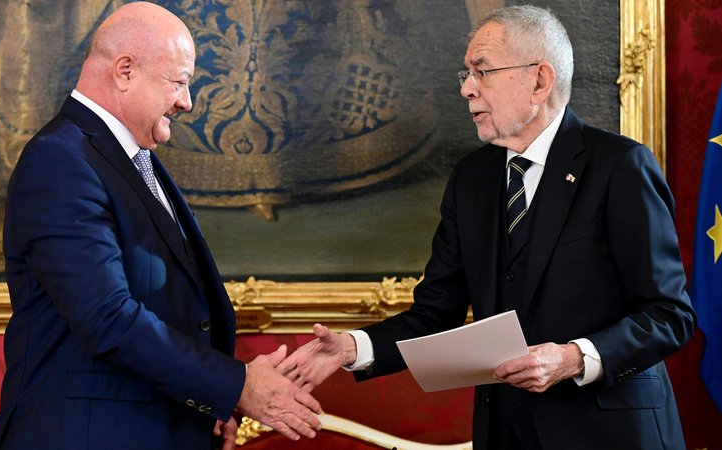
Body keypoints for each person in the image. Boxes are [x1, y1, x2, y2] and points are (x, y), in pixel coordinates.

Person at [279, 5, 695, 450]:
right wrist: (352, 347)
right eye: (466, 74)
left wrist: (574, 358)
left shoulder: (620, 166)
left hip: (612, 435)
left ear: (539, 81)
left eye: (482, 71)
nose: (466, 89)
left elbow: (669, 315)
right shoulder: (471, 180)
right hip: (505, 434)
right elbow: (435, 313)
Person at [0, 2, 322, 449]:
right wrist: (237, 384)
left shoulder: (130, 156)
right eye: (178, 83)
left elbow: (168, 305)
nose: (186, 102)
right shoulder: (60, 161)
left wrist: (211, 400)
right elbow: (107, 318)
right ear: (125, 70)